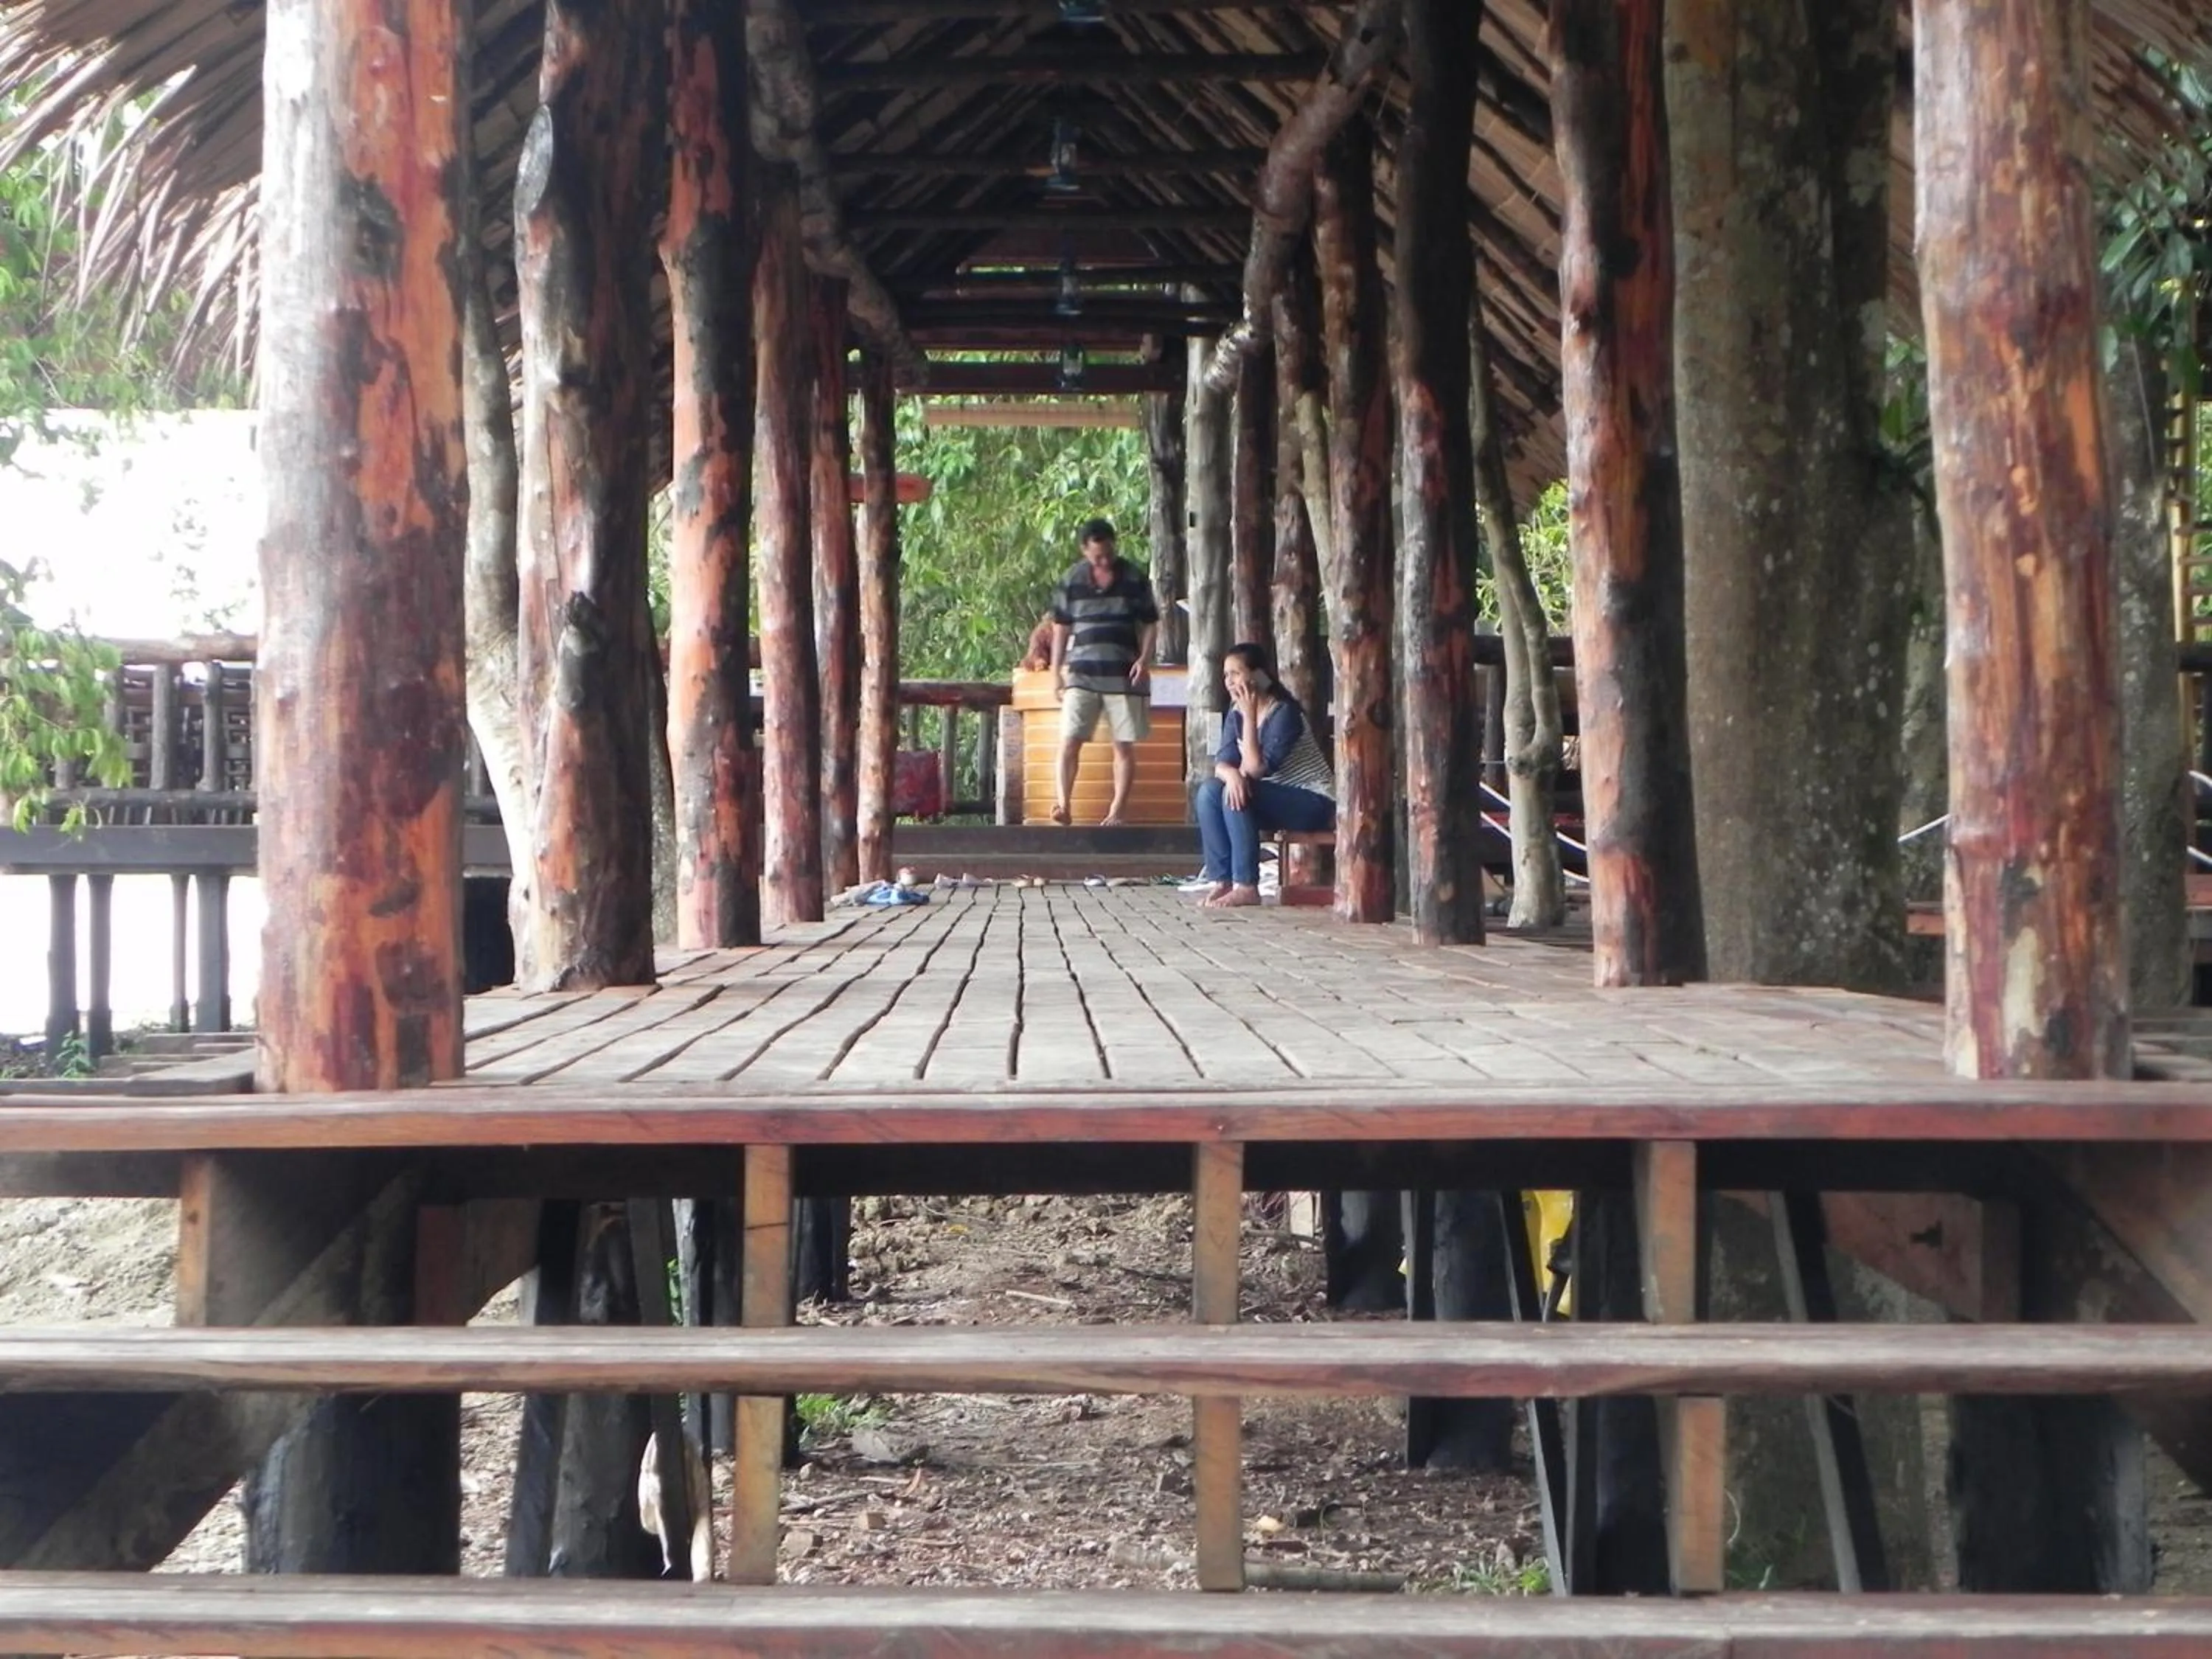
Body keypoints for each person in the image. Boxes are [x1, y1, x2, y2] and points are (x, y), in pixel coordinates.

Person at [1194, 640, 1334, 908]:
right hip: (1271, 798)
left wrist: (1249, 716)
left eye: (1235, 673)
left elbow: (1256, 769)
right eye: (1226, 675)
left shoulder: (1284, 713)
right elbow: (1222, 763)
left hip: (1314, 801)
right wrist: (1233, 775)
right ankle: (1223, 881)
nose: (1229, 681)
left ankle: (1247, 885)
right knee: (1209, 792)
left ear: (1258, 675)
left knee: (1234, 791)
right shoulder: (1235, 712)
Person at [1049, 518, 1159, 826]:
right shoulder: (1071, 580)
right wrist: (1056, 671)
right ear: (1085, 551)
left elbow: (1151, 621)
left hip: (1124, 674)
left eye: (1109, 554)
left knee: (1123, 744)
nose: (1105, 561)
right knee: (1070, 739)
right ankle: (1062, 804)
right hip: (1081, 673)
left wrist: (1145, 659)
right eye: (1098, 556)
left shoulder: (1134, 578)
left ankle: (1116, 812)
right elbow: (1060, 627)